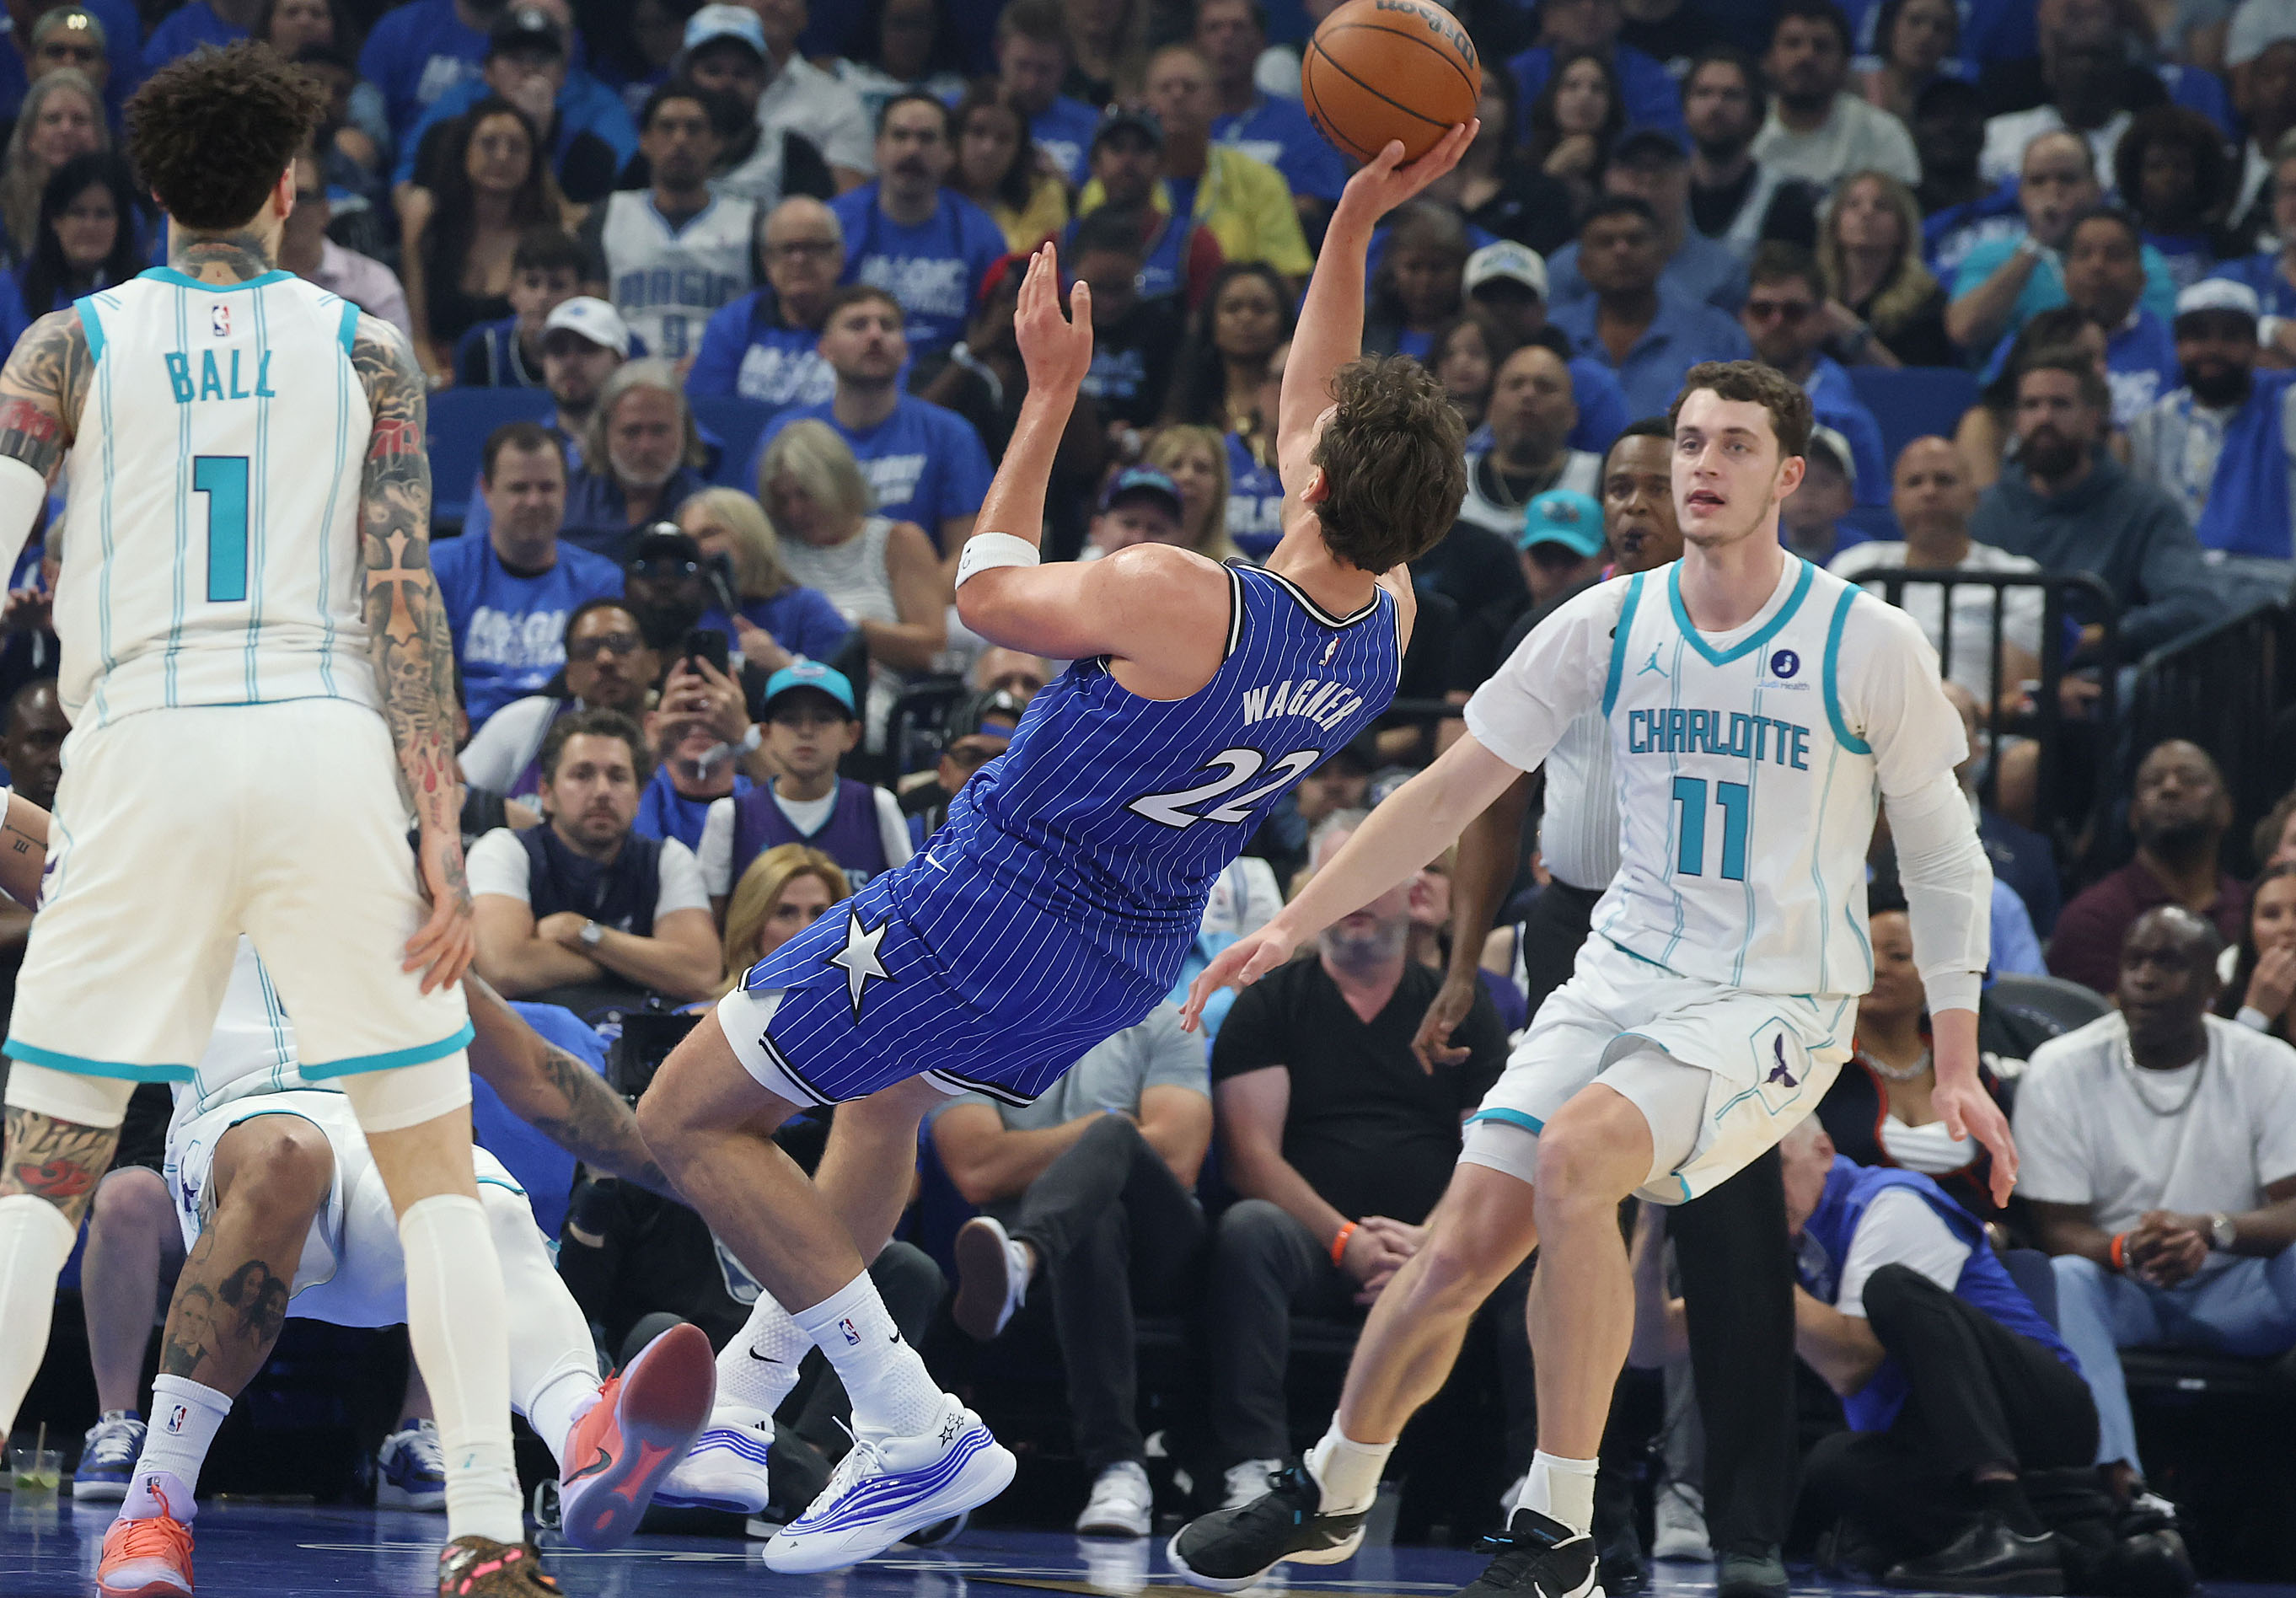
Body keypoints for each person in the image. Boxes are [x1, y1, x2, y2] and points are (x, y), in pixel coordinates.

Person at [634, 125, 1478, 1571]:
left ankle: (911, 1425)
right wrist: (1343, 227)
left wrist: (1046, 398)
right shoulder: (1379, 624)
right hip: (1122, 956)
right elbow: (1312, 397)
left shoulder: (1175, 593)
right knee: (883, 1103)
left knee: (680, 1116)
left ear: (1317, 482)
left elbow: (983, 592)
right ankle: (745, 1400)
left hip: (990, 901)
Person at [1167, 357, 2003, 1598]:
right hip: (1623, 974)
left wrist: (1956, 1060)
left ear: (1788, 475)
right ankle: (1335, 1490)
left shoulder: (1862, 637)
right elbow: (1455, 789)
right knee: (1461, 1248)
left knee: (1580, 1157)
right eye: (1689, 442)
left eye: (1733, 446)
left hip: (1776, 999)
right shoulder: (1609, 623)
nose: (1704, 465)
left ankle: (1559, 1523)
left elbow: (1942, 854)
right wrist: (1292, 921)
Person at [0, 40, 552, 1595]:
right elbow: (401, 603)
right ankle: (486, 1535)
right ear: (292, 188)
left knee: (43, 1179)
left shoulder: (67, 343)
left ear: (150, 191)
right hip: (324, 748)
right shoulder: (368, 346)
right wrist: (437, 827)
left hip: (140, 747)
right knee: (436, 1172)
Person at [94, 941, 711, 1595]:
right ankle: (153, 1506)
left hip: (376, 1146)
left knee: (485, 1196)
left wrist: (709, 1187)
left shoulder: (393, 914)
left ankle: (584, 1432)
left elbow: (534, 1073)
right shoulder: (167, 871)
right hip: (232, 1134)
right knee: (285, 1152)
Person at [1202, 812, 1511, 1512]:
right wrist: (1346, 1241)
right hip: (1312, 1248)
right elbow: (1251, 1157)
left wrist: (1432, 1241)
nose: (1359, 900)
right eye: (1342, 882)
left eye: (1375, 881)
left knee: (1525, 1247)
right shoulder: (1269, 1004)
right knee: (1248, 1229)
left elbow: (1490, 1148)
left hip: (1436, 1251)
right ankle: (1252, 1464)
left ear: (1414, 895)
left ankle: (1527, 1482)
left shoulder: (1464, 1008)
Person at [2019, 906, 2296, 1511]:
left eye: (2168, 963)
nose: (2144, 978)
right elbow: (2059, 1228)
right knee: (2063, 1278)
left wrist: (2211, 1232)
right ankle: (2117, 1490)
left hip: (2239, 1292)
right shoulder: (2059, 1069)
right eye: (2134, 961)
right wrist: (2127, 1248)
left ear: (2212, 989)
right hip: (2125, 1288)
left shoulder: (2268, 1064)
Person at [1762, 1118, 2095, 1590]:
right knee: (1831, 1464)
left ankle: (2012, 1521)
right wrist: (1649, 1225)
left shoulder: (1892, 1202)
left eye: (1773, 1168)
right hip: (1939, 1439)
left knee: (1891, 1288)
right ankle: (2064, 1545)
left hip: (2042, 1413)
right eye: (1747, 1182)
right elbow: (1656, 1345)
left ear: (1824, 1151)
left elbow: (1851, 1366)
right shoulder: (1796, 1243)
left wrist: (1758, 1266)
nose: (1763, 1194)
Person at [934, 1001, 1212, 1537]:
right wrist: (1111, 1139)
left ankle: (1023, 1258)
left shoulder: (1168, 1018)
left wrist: (1106, 1139)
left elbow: (1178, 1156)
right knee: (1096, 1210)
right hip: (1070, 1258)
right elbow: (977, 1168)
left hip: (1162, 1253)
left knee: (1110, 1137)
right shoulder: (969, 1019)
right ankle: (1119, 1469)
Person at [1968, 357, 2223, 658]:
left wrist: (2096, 639)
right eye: (2031, 405)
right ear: (2016, 420)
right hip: (1994, 676)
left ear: (2093, 419)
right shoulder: (1983, 510)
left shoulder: (2145, 510)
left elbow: (2195, 605)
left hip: (2102, 674)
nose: (2044, 418)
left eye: (2060, 404)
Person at [469, 706, 722, 1010]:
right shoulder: (504, 849)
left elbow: (702, 975)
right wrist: (643, 966)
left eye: (618, 777)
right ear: (546, 792)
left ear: (639, 796)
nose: (602, 791)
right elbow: (503, 969)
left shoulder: (667, 858)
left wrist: (580, 932)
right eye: (582, 774)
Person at [1814, 887, 2014, 1219]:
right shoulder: (1821, 1066)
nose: (1876, 967)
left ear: (1935, 975)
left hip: (1973, 1247)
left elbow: (2011, 1195)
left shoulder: (1970, 1073)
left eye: (1898, 956)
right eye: (1865, 951)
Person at [754, 285, 995, 559]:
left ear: (905, 349)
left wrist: (919, 599)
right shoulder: (786, 435)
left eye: (888, 326)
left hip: (922, 594)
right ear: (825, 348)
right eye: (857, 326)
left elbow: (966, 555)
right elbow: (765, 542)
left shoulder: (951, 435)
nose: (875, 335)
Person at [758, 416, 950, 743]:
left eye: (804, 495)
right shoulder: (775, 553)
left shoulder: (898, 542)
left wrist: (843, 628)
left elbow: (932, 647)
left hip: (875, 697)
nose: (794, 511)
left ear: (835, 484)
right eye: (783, 499)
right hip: (787, 688)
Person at [433, 421, 629, 727]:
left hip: (564, 744)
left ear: (566, 491)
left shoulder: (601, 581)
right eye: (519, 488)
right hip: (463, 744)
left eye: (547, 487)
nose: (534, 501)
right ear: (487, 491)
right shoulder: (441, 569)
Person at [1831, 437, 2045, 711]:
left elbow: (2017, 693)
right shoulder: (1856, 568)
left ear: (1974, 498)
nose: (1929, 492)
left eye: (1944, 480)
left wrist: (1960, 714)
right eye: (1914, 482)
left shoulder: (2018, 579)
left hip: (1982, 738)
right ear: (1894, 501)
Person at [1086, 45, 1312, 287]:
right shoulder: (1109, 185)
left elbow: (1288, 276)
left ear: (1217, 102)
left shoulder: (1261, 181)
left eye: (1190, 87)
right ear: (1145, 100)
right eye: (1165, 88)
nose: (1177, 96)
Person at [2127, 277, 2296, 592]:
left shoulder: (2286, 406)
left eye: (2231, 336)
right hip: (2178, 592)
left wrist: (2274, 328)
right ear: (2178, 345)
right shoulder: (2153, 424)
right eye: (2198, 336)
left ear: (2254, 346)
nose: (2213, 350)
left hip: (2271, 592)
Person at [1947, 131, 2177, 357]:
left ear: (2096, 188)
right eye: (2038, 181)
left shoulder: (2138, 257)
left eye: (2067, 179)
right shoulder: (1990, 255)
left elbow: (2159, 339)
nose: (2053, 191)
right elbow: (1964, 330)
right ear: (2021, 193)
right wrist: (2036, 244)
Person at [698, 660, 911, 903]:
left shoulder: (877, 807)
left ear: (851, 735)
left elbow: (906, 903)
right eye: (789, 719)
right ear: (767, 734)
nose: (806, 731)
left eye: (823, 718)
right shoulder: (730, 816)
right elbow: (712, 925)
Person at [2048, 740, 2249, 995]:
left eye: (2190, 779)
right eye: (2153, 782)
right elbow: (2095, 1025)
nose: (2170, 787)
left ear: (2226, 810)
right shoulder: (2093, 917)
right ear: (2133, 815)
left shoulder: (2256, 912)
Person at [582, 79, 758, 364]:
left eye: (694, 128)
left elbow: (762, 321)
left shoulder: (751, 220)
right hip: (627, 379)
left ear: (717, 142)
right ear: (644, 140)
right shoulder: (609, 216)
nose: (680, 140)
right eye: (667, 127)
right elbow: (595, 316)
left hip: (719, 381)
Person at [825, 91, 1006, 365]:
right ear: (878, 148)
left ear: (949, 153)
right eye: (900, 136)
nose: (912, 150)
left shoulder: (981, 234)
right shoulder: (835, 224)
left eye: (927, 138)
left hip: (945, 376)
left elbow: (989, 332)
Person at [394, 5, 639, 206]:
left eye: (541, 59)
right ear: (488, 71)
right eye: (514, 58)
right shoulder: (446, 134)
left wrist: (536, 136)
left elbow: (583, 230)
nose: (528, 69)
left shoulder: (588, 151)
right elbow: (414, 194)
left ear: (562, 75)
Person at [400, 96, 570, 380]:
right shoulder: (430, 230)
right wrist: (439, 382)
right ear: (464, 151)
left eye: (516, 147)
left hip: (520, 381)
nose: (502, 156)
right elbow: (417, 335)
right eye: (489, 144)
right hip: (437, 380)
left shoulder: (548, 236)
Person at [1548, 196, 1752, 418]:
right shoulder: (1553, 334)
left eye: (1635, 240)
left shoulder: (1717, 334)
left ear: (1662, 255)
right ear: (1582, 265)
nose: (1621, 251)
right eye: (1605, 242)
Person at [460, 294, 632, 544]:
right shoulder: (514, 453)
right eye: (558, 350)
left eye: (587, 349)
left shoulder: (646, 443)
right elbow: (477, 546)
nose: (571, 363)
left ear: (620, 361)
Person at [458, 598, 662, 802]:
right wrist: (500, 814)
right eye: (586, 649)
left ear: (654, 663)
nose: (605, 659)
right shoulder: (528, 722)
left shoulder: (682, 735)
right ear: (569, 676)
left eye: (620, 644)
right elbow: (451, 792)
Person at [1739, 243, 1888, 506]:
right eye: (1763, 310)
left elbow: (1867, 512)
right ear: (1744, 316)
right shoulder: (1706, 399)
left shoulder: (1851, 421)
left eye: (1793, 312)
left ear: (1821, 318)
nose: (1777, 322)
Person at [1547, 129, 1751, 318]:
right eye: (1633, 168)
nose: (1647, 181)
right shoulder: (1567, 268)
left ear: (1688, 178)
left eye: (1662, 168)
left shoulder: (1724, 272)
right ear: (1608, 177)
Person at [1462, 243, 1637, 458]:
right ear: (1466, 306)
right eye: (1490, 298)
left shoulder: (1589, 383)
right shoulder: (1446, 375)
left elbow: (1611, 465)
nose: (1503, 310)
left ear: (1542, 310)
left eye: (1519, 299)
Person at [1198, 0, 1346, 233]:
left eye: (1238, 27)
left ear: (1261, 41)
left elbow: (1314, 207)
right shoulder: (1178, 124)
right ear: (1197, 43)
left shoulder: (1304, 125)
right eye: (1214, 28)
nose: (1226, 37)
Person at [685, 195, 842, 407]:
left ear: (838, 256)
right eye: (787, 249)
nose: (799, 260)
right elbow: (710, 411)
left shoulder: (864, 324)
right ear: (767, 261)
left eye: (812, 247)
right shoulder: (732, 324)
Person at [676, 486, 853, 669]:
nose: (697, 548)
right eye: (688, 541)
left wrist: (783, 665)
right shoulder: (688, 615)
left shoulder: (806, 606)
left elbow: (847, 687)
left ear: (749, 533)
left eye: (709, 533)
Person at [1752, 0, 1921, 190]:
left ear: (1845, 63)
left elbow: (1903, 213)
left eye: (1821, 46)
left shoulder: (1882, 134)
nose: (1806, 55)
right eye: (1792, 44)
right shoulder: (1743, 128)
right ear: (1769, 59)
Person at [1682, 47, 1825, 264]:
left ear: (1757, 115)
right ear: (1685, 111)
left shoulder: (1786, 200)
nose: (1716, 106)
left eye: (1731, 95)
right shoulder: (1661, 193)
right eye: (1703, 93)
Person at [1455, 338, 1603, 546]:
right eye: (1515, 384)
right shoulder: (1454, 476)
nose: (1528, 394)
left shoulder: (1600, 476)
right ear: (1490, 409)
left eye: (1545, 387)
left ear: (1572, 414)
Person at [1076, 105, 1227, 308]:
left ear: (1162, 164)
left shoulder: (1195, 246)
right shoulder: (1059, 243)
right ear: (1094, 163)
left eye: (1142, 148)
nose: (1128, 160)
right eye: (1117, 147)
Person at [561, 358, 711, 560]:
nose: (645, 446)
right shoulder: (564, 500)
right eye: (631, 431)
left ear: (684, 431)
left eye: (659, 430)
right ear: (605, 433)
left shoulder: (705, 512)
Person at [1418, 71, 1579, 259]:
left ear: (1509, 108)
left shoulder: (1540, 190)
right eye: (1469, 92)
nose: (1478, 101)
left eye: (1490, 92)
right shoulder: (1421, 185)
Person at [0, 151, 142, 351]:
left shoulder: (145, 295)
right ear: (55, 220)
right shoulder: (10, 292)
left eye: (103, 214)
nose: (90, 225)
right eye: (78, 212)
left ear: (121, 223)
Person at [1817, 169, 1955, 367]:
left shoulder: (1925, 300)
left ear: (1902, 227)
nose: (1866, 212)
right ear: (1835, 223)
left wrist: (1853, 335)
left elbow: (1920, 387)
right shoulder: (1813, 290)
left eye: (1881, 206)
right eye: (1853, 204)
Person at [275, 151, 412, 341]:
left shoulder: (374, 285)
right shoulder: (240, 281)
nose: (290, 209)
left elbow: (395, 366)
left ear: (325, 211)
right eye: (281, 196)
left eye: (303, 196)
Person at [1072, 206, 1184, 435]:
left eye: (1120, 289)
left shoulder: (1164, 330)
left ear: (1138, 273)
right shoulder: (1055, 325)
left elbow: (1174, 417)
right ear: (1073, 273)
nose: (1109, 303)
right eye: (1098, 289)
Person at [1507, 0, 1685, 136]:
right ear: (1547, 14)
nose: (1588, 9)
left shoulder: (1653, 79)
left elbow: (1669, 145)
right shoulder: (1517, 75)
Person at [2116, 105, 2238, 291]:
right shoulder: (2120, 241)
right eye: (2155, 167)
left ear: (2204, 174)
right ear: (2135, 175)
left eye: (2181, 166)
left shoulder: (2229, 247)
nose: (2168, 177)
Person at [454, 224, 586, 387]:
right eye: (532, 283)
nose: (543, 297)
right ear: (512, 292)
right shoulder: (484, 350)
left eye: (557, 285)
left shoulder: (596, 353)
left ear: (580, 296)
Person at [949, 81, 1069, 255]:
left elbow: (1028, 260)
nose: (988, 148)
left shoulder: (1043, 193)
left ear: (1020, 148)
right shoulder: (929, 189)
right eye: (978, 131)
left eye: (1003, 138)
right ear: (955, 136)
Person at [0, 70, 105, 263]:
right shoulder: (3, 205)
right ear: (29, 135)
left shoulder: (123, 213)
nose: (66, 129)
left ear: (98, 136)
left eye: (79, 120)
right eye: (53, 119)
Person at [992, 0, 1101, 185]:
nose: (1031, 83)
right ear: (1000, 52)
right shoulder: (958, 112)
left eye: (1044, 70)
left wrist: (1065, 189)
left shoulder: (1094, 128)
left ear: (1067, 64)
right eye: (1022, 66)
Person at [1522, 48, 1625, 220]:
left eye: (1598, 89)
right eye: (1572, 86)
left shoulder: (1625, 163)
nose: (1585, 96)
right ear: (1553, 96)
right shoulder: (1522, 162)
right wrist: (1553, 171)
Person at [1364, 201, 1472, 361]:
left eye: (1437, 268)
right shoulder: (1364, 327)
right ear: (1392, 267)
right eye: (1413, 268)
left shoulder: (1477, 334)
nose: (1425, 281)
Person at [2222, 860, 2296, 1041]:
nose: (2288, 926)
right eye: (2271, 914)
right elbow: (2229, 1069)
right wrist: (2256, 1015)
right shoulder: (2220, 1006)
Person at [1144, 424, 1240, 561]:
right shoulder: (1112, 556)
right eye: (1175, 465)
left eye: (1201, 468)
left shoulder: (1237, 571)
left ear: (1219, 485)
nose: (1188, 476)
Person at [1856, 0, 1961, 122]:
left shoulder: (1958, 100)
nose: (1926, 34)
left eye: (1940, 27)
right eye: (1915, 21)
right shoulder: (1854, 87)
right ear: (1890, 24)